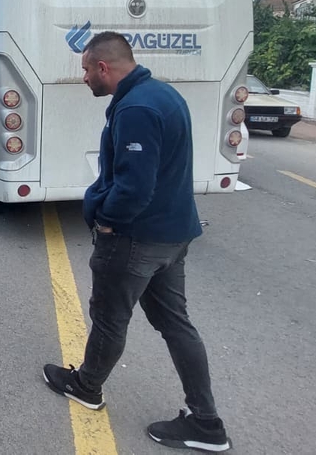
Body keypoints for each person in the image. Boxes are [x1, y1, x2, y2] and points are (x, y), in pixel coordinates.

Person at [41, 31, 231, 453]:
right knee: (176, 324)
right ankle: (206, 423)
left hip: (136, 239)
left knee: (110, 319)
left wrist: (107, 221)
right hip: (172, 236)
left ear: (103, 67)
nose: (84, 78)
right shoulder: (161, 95)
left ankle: (86, 387)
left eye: (86, 70)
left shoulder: (137, 109)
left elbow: (133, 188)